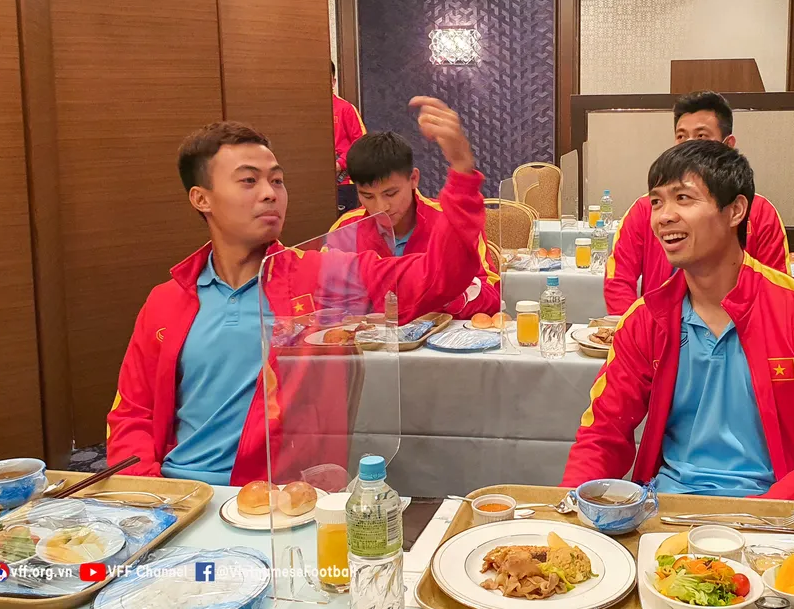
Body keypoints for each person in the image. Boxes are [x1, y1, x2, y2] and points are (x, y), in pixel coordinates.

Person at [106, 97, 487, 485]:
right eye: (249, 180)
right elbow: (132, 414)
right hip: (177, 490)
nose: (270, 193)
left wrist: (461, 172)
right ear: (201, 199)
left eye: (276, 180)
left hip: (275, 496)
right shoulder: (166, 301)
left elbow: (438, 277)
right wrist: (147, 490)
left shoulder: (318, 277)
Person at [563, 140, 794, 511]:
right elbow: (602, 432)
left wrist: (749, 521)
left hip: (777, 517)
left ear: (735, 210)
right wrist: (572, 508)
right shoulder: (646, 319)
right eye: (656, 201)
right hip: (669, 510)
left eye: (683, 198)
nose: (663, 217)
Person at [604, 91, 791, 314]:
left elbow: (777, 286)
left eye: (701, 136)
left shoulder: (759, 211)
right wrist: (635, 327)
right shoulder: (646, 210)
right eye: (681, 137)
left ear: (728, 145)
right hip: (660, 325)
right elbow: (618, 279)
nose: (688, 146)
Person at [328, 131, 500, 319]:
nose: (381, 207)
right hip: (371, 336)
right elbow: (325, 297)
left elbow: (493, 295)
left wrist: (442, 291)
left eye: (390, 193)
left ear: (414, 179)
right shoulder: (345, 229)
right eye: (367, 196)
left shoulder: (451, 221)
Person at [332, 61, 367, 216]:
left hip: (344, 182)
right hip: (316, 182)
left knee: (344, 226)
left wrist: (340, 164)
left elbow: (361, 143)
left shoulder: (345, 109)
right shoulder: (308, 111)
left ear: (333, 82)